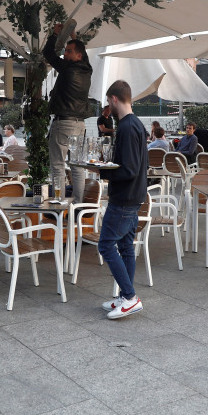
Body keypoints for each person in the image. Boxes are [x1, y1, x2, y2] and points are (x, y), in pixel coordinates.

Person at [96, 80, 148, 320]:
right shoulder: (137, 124)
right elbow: (136, 167)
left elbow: (128, 169)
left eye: (109, 102)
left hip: (124, 197)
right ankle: (124, 296)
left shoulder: (126, 127)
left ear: (114, 99)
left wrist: (103, 171)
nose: (109, 107)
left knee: (106, 245)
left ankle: (129, 296)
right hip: (135, 196)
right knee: (126, 247)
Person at [43, 23, 92, 203]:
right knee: (78, 166)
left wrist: (55, 34)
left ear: (77, 56)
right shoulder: (87, 70)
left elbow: (48, 54)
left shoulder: (68, 68)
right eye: (66, 51)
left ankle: (59, 206)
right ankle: (78, 206)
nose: (65, 54)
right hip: (80, 124)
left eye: (69, 51)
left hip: (64, 122)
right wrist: (73, 37)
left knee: (57, 165)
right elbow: (83, 52)